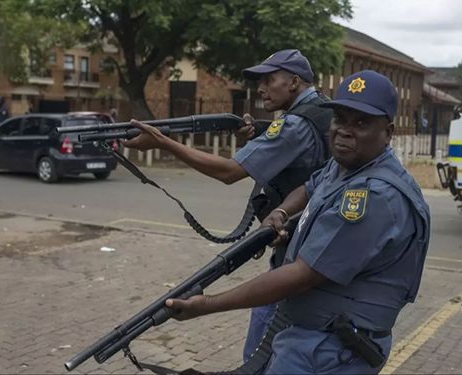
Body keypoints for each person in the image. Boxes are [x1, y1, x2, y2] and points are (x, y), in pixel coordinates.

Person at [164, 70, 431, 374]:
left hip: (329, 353)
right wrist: (281, 213)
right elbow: (311, 186)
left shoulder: (373, 196)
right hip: (313, 340)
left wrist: (208, 303)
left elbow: (302, 275)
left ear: (389, 132)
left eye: (361, 123)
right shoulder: (347, 164)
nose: (344, 131)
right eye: (340, 119)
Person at [121, 49, 332, 361]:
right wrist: (258, 131)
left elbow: (229, 172)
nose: (260, 88)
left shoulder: (294, 126)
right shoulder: (323, 109)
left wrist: (164, 143)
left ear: (294, 82)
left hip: (293, 254)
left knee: (258, 354)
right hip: (314, 245)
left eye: (269, 80)